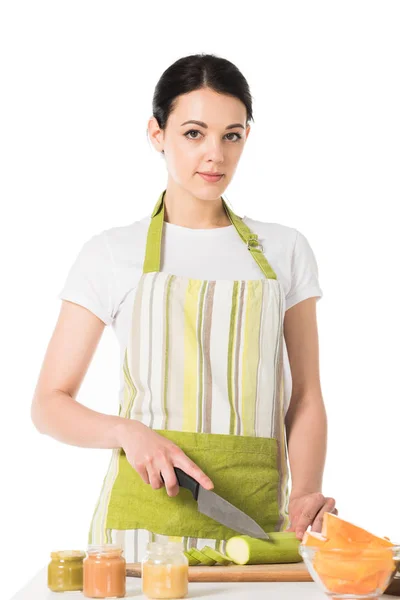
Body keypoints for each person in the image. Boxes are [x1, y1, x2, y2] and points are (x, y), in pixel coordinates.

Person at [31, 53, 337, 563]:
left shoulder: (284, 250)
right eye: (194, 133)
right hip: (140, 535)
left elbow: (305, 396)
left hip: (257, 531)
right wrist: (126, 431)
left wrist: (307, 489)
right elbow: (48, 403)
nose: (214, 155)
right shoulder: (111, 253)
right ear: (157, 134)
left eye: (232, 135)